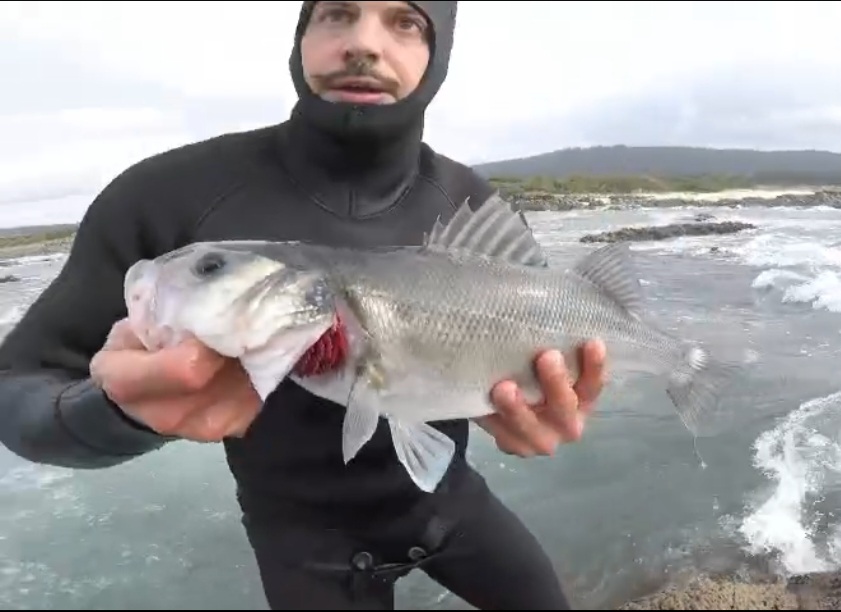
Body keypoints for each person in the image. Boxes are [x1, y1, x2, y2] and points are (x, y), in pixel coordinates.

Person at [0, 1, 608, 609]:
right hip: (302, 545)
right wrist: (114, 411)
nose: (364, 43)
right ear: (301, 34)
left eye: (405, 21)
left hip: (453, 505)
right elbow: (17, 386)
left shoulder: (472, 206)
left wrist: (545, 409)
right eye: (338, 12)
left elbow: (551, 346)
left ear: (438, 52)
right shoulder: (163, 195)